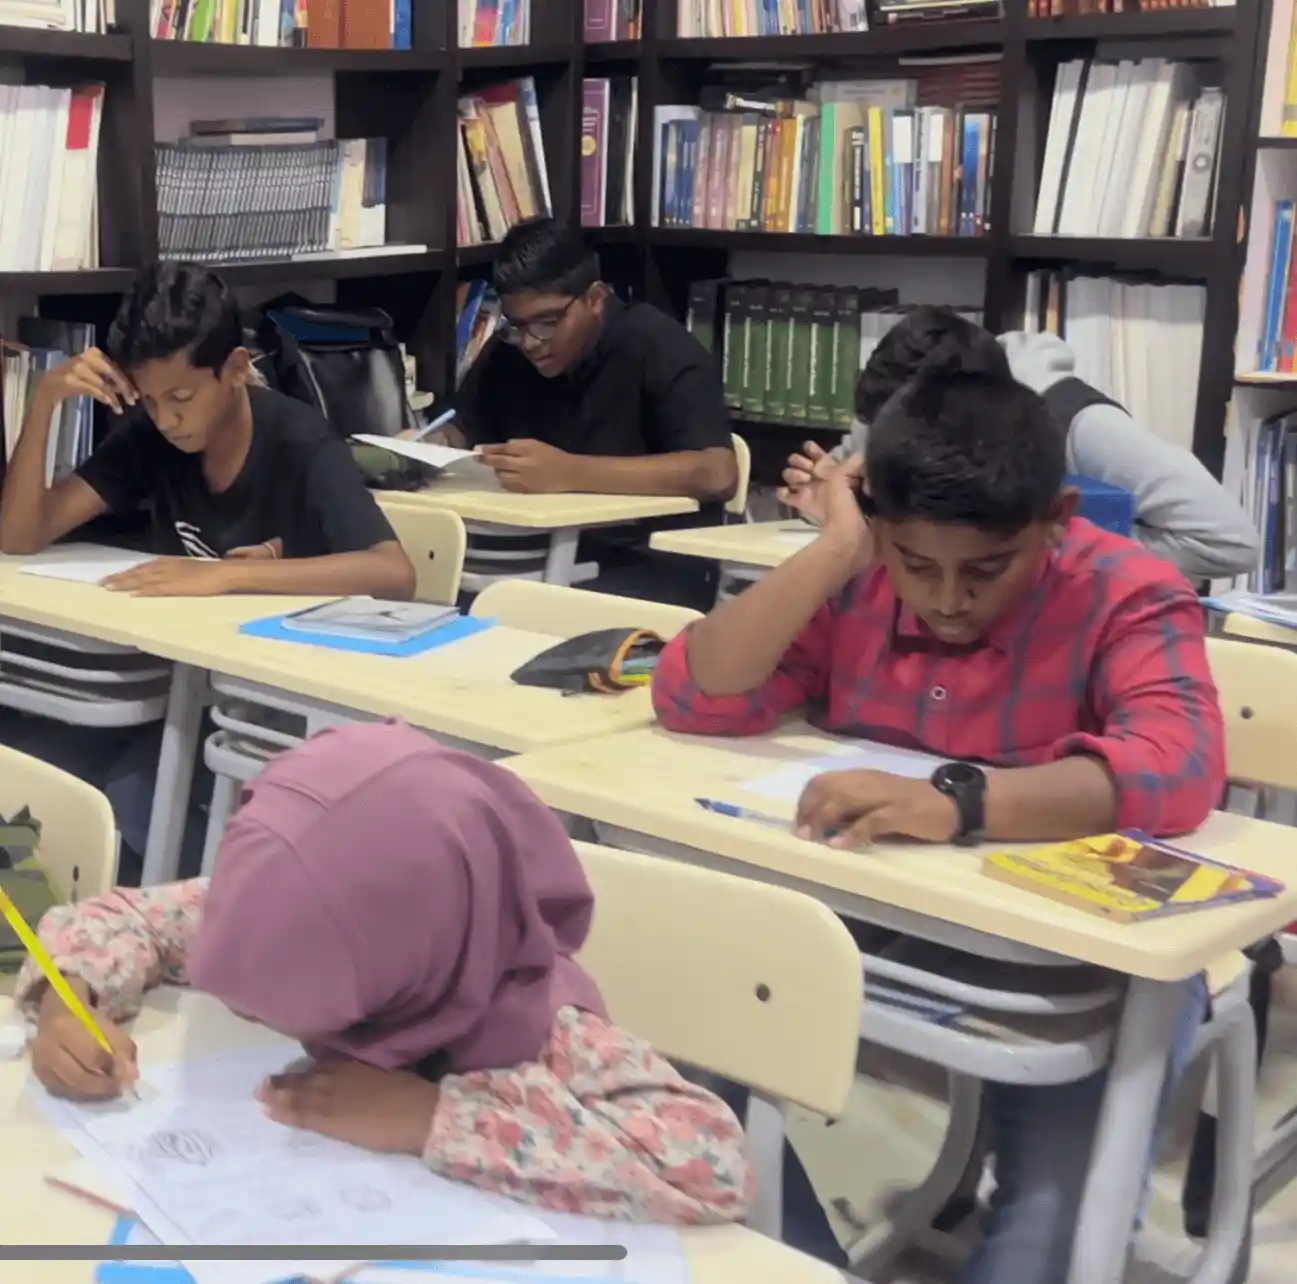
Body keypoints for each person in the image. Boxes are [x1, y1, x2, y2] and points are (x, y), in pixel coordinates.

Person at [653, 364, 1223, 1282]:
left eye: (987, 570)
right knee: (673, 1046)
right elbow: (694, 697)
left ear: (1055, 518)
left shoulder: (1126, 589)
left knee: (1046, 1241)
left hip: (1077, 957)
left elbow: (1179, 764)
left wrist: (962, 803)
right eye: (917, 565)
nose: (948, 600)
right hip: (873, 911)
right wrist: (838, 549)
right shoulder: (861, 576)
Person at [21, 721, 751, 1225]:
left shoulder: (543, 1027)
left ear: (404, 961)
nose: (243, 1009)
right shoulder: (274, 905)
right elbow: (125, 917)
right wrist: (68, 1001)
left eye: (274, 1005)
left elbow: (709, 1164)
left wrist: (428, 1116)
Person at [0, 260, 415, 600]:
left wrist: (225, 576)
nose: (166, 419)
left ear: (235, 369)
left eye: (181, 397)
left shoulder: (301, 441)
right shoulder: (150, 436)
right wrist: (45, 400)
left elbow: (394, 573)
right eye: (148, 399)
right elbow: (20, 538)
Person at [780, 306, 1258, 582]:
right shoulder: (896, 401)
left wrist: (1042, 545)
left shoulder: (1081, 425)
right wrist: (828, 498)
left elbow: (1228, 542)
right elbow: (852, 499)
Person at [447, 217, 737, 608]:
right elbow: (461, 427)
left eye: (548, 322)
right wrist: (424, 447)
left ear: (595, 298)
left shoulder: (658, 346)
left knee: (524, 618)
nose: (531, 342)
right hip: (527, 556)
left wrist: (569, 473)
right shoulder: (509, 350)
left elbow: (718, 473)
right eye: (516, 326)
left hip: (646, 564)